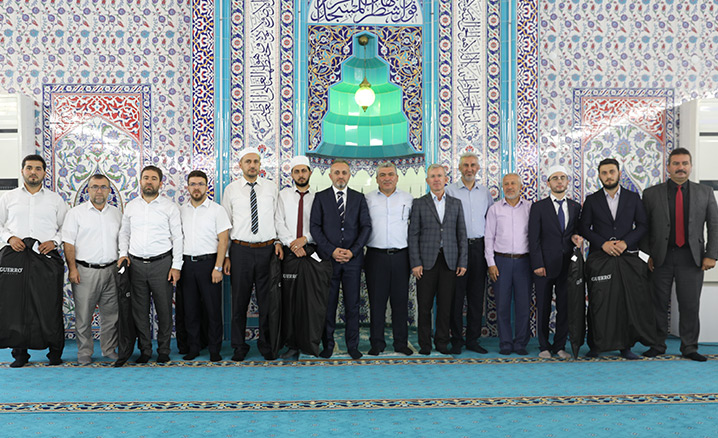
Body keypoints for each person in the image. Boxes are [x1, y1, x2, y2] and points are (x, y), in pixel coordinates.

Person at [641, 148, 718, 362]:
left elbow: (714, 225)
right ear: (668, 167)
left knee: (690, 304)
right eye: (676, 163)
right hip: (660, 258)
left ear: (691, 166)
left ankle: (689, 347)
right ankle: (657, 344)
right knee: (657, 304)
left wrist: (711, 254)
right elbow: (644, 228)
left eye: (684, 163)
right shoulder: (651, 194)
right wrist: (646, 256)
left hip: (691, 258)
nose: (680, 167)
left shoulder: (705, 192)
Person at [0, 154, 68, 368]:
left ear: (44, 173)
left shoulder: (55, 200)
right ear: (22, 171)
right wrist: (9, 238)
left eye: (38, 168)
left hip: (45, 257)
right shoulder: (8, 198)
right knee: (15, 305)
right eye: (29, 168)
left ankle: (54, 352)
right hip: (15, 257)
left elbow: (66, 227)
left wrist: (54, 242)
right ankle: (20, 354)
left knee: (49, 304)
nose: (33, 172)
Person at [579, 158, 647, 360]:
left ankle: (625, 347)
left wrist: (626, 243)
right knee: (598, 301)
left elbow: (643, 225)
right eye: (604, 173)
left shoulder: (633, 198)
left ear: (619, 173)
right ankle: (595, 345)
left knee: (625, 303)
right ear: (599, 176)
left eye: (611, 172)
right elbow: (584, 228)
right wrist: (603, 244)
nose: (608, 176)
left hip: (626, 258)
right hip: (600, 258)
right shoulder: (592, 200)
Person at [221, 148, 283, 361]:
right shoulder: (231, 190)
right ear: (240, 165)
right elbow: (226, 224)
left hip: (267, 251)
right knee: (239, 302)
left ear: (260, 164)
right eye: (248, 161)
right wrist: (226, 255)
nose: (252, 165)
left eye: (255, 161)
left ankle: (266, 344)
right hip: (241, 251)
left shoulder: (271, 188)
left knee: (267, 302)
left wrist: (278, 241)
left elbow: (277, 218)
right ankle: (239, 346)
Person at [118, 165, 183, 364]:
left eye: (154, 178)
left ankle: (164, 350)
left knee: (164, 311)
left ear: (160, 183)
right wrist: (123, 255)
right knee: (140, 312)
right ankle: (145, 350)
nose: (149, 181)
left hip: (162, 265)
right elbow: (124, 233)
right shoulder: (131, 206)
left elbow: (178, 237)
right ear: (140, 181)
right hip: (136, 265)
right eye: (146, 177)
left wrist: (176, 266)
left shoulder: (169, 207)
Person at [310, 159, 372, 359]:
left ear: (349, 175)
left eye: (344, 172)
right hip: (329, 261)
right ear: (330, 175)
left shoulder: (359, 198)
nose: (340, 176)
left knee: (353, 305)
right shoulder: (320, 197)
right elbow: (315, 227)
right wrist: (332, 251)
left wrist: (353, 251)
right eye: (336, 172)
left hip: (353, 261)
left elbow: (366, 227)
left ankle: (352, 346)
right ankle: (328, 345)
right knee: (329, 305)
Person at [408, 163, 467, 355]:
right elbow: (413, 235)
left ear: (445, 179)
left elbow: (461, 234)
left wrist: (462, 261)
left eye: (439, 176)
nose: (436, 179)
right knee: (424, 306)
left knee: (445, 306)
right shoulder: (419, 203)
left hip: (450, 262)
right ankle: (425, 345)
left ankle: (442, 342)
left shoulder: (456, 203)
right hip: (425, 263)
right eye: (432, 176)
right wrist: (415, 262)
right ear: (427, 180)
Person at [62, 174, 121, 365]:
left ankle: (109, 349)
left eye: (103, 187)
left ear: (109, 191)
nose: (99, 191)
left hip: (111, 270)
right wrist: (72, 269)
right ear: (88, 190)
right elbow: (68, 243)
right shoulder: (76, 214)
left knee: (111, 315)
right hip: (85, 271)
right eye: (95, 187)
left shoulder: (116, 214)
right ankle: (85, 351)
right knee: (84, 314)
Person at [528, 166, 583, 359]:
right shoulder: (539, 207)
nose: (559, 181)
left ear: (567, 181)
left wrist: (577, 237)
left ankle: (560, 345)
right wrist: (537, 264)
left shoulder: (575, 207)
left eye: (562, 177)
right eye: (555, 178)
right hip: (544, 266)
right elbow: (533, 238)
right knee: (543, 307)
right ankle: (544, 346)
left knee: (564, 307)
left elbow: (576, 231)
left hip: (567, 266)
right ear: (548, 182)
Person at [179, 170, 231, 362]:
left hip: (209, 264)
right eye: (193, 184)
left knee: (213, 309)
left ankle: (214, 349)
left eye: (200, 184)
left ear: (206, 186)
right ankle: (194, 347)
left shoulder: (217, 210)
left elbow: (223, 240)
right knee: (190, 310)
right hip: (187, 265)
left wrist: (218, 268)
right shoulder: (181, 210)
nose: (196, 188)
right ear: (187, 187)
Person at [445, 152, 493, 354]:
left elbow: (490, 220)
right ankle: (456, 340)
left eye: (473, 165)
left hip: (479, 248)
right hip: (457, 248)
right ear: (459, 168)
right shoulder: (449, 191)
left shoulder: (485, 193)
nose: (469, 169)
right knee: (456, 297)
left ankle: (473, 340)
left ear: (478, 168)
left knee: (476, 297)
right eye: (465, 165)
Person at [364, 162, 414, 356]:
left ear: (397, 177)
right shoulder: (367, 199)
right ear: (377, 179)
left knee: (400, 302)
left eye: (390, 174)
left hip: (401, 257)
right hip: (375, 257)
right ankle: (377, 343)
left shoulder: (408, 199)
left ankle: (401, 343)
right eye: (383, 175)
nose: (387, 178)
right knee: (376, 302)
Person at [485, 173, 532, 355]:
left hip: (524, 262)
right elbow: (489, 237)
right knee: (502, 305)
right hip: (501, 262)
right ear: (502, 187)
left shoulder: (530, 208)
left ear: (520, 186)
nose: (510, 187)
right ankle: (505, 342)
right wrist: (491, 263)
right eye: (506, 184)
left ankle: (520, 343)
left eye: (513, 183)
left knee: (523, 306)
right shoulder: (495, 209)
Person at [275, 155, 316, 359]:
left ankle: (309, 343)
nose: (300, 175)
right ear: (291, 174)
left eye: (303, 171)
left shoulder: (318, 197)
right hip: (290, 253)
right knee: (289, 300)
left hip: (311, 252)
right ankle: (291, 344)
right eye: (296, 171)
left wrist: (304, 239)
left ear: (310, 173)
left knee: (309, 300)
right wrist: (293, 243)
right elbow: (278, 222)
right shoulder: (283, 196)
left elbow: (320, 225)